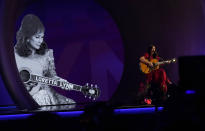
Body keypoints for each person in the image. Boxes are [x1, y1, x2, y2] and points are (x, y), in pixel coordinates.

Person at [14, 14, 75, 106]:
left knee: (71, 105)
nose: (40, 41)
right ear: (27, 38)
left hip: (45, 96)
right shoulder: (13, 55)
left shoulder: (46, 54)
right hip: (23, 98)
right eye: (37, 37)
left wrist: (61, 82)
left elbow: (51, 77)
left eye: (42, 37)